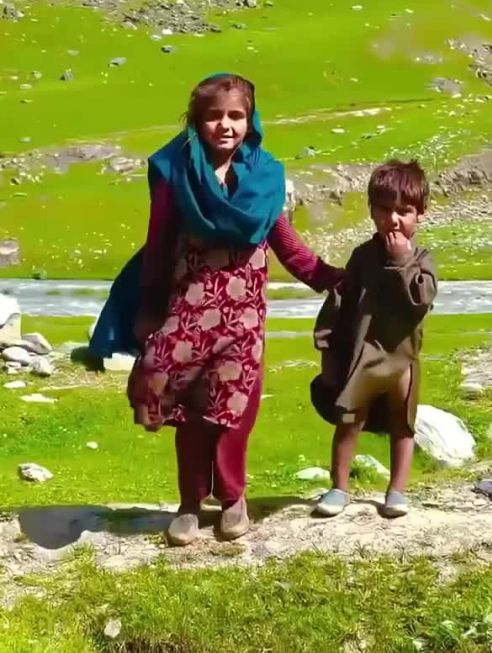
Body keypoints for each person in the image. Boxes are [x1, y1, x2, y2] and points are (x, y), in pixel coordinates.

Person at [99, 72, 342, 547]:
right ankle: (190, 504)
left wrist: (330, 277)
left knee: (232, 413)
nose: (225, 125)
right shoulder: (176, 174)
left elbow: (285, 242)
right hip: (187, 314)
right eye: (214, 116)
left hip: (243, 320)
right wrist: (148, 307)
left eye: (236, 116)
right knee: (189, 414)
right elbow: (159, 243)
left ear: (251, 122)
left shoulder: (264, 177)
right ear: (196, 121)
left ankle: (233, 500)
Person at [310, 159, 437, 519]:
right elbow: (339, 303)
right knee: (349, 420)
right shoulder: (363, 257)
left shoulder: (422, 259)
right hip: (362, 357)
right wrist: (327, 351)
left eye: (404, 211)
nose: (393, 219)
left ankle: (396, 492)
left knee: (403, 425)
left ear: (420, 214)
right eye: (384, 209)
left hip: (402, 360)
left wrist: (403, 262)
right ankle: (339, 487)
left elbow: (422, 299)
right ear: (371, 210)